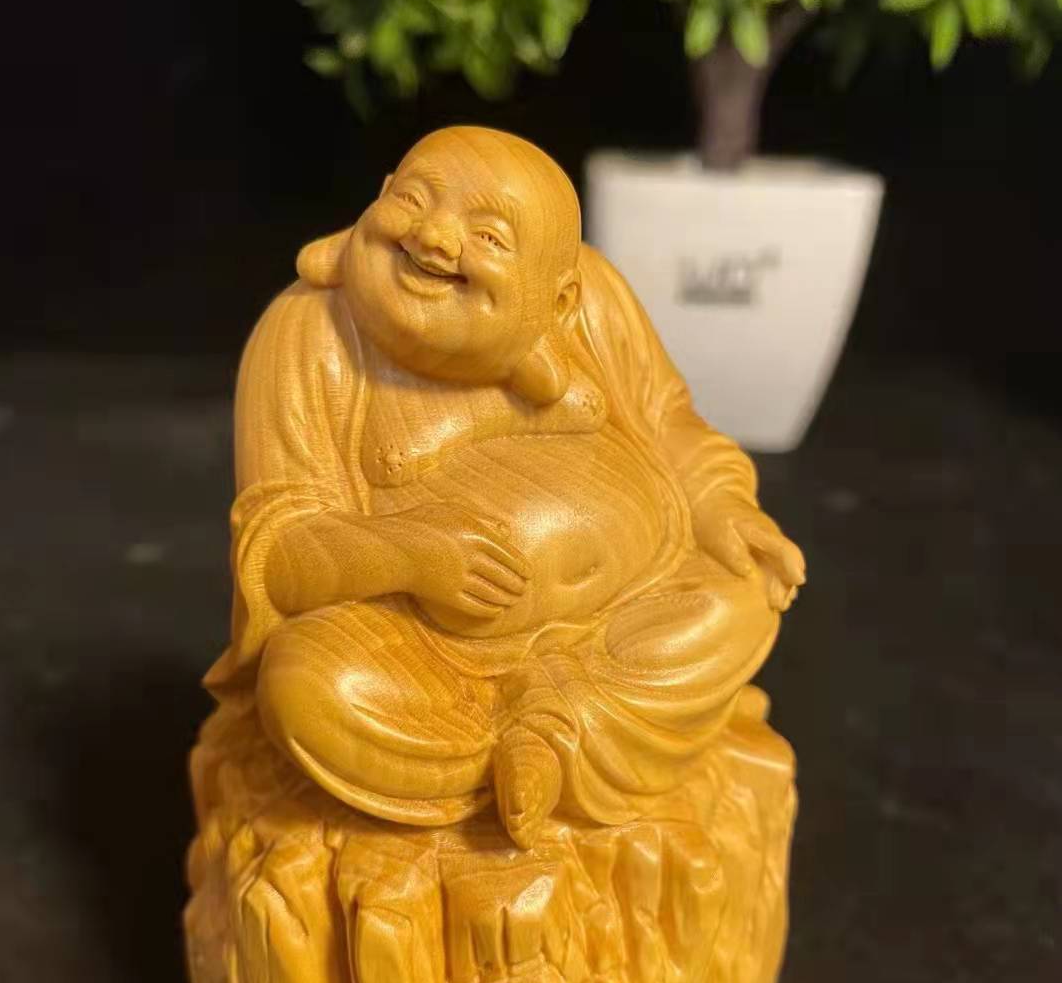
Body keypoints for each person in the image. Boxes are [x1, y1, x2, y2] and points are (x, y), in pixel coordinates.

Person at [205, 126, 805, 847]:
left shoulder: (592, 297)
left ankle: (558, 724)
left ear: (558, 299)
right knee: (305, 685)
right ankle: (535, 739)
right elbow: (280, 553)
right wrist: (411, 555)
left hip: (634, 611)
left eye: (488, 237)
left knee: (745, 590)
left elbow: (666, 420)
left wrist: (722, 504)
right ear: (378, 196)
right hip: (432, 652)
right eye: (413, 200)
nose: (434, 238)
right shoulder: (310, 332)